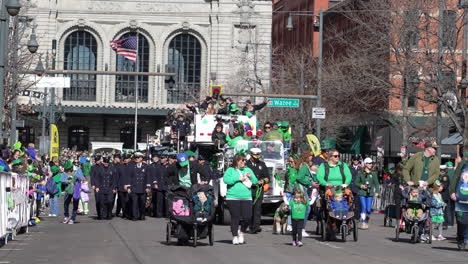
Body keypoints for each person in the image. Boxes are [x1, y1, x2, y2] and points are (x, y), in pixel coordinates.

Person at [223, 153, 258, 245]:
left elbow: (255, 182)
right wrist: (238, 178)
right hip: (232, 197)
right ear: (237, 161)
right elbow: (226, 180)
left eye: (245, 160)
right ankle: (235, 236)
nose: (244, 162)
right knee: (235, 217)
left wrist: (251, 176)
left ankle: (241, 232)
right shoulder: (230, 170)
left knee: (248, 217)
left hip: (246, 197)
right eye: (242, 160)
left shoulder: (248, 169)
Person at [245, 148, 269, 234]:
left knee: (257, 208)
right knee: (249, 208)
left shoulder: (262, 164)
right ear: (251, 156)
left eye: (257, 157)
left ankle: (255, 226)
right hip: (249, 189)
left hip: (259, 189)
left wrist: (263, 181)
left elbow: (267, 177)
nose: (256, 159)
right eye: (254, 157)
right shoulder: (246, 164)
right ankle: (250, 225)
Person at [355, 158, 380, 229]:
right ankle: (363, 222)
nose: (370, 164)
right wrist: (361, 186)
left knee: (368, 209)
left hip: (370, 194)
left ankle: (366, 218)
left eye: (371, 163)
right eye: (369, 163)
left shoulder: (373, 173)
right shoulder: (361, 173)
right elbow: (356, 182)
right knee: (364, 207)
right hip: (362, 193)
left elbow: (377, 184)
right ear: (365, 164)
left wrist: (377, 192)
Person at [127, 152, 151, 221]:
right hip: (134, 188)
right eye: (135, 158)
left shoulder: (146, 166)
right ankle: (135, 216)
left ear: (141, 158)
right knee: (134, 203)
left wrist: (148, 187)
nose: (136, 159)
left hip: (143, 188)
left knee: (142, 203)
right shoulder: (132, 167)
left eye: (137, 158)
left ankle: (142, 215)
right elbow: (129, 177)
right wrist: (129, 187)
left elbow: (148, 177)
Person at [450, 163, 468, 249]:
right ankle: (461, 238)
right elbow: (455, 178)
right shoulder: (462, 165)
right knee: (462, 221)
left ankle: (466, 239)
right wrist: (452, 191)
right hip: (462, 197)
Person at [117, 154, 132, 219]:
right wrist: (116, 186)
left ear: (129, 159)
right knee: (122, 201)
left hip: (130, 187)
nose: (125, 160)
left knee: (129, 201)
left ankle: (129, 213)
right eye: (124, 159)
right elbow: (117, 177)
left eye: (127, 158)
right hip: (121, 186)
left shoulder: (132, 166)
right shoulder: (120, 167)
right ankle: (124, 214)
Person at [349, 154, 362, 221]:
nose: (356, 161)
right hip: (350, 188)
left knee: (358, 204)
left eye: (357, 160)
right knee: (350, 204)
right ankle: (349, 217)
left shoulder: (361, 169)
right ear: (352, 160)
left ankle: (356, 218)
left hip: (358, 189)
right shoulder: (349, 168)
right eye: (354, 160)